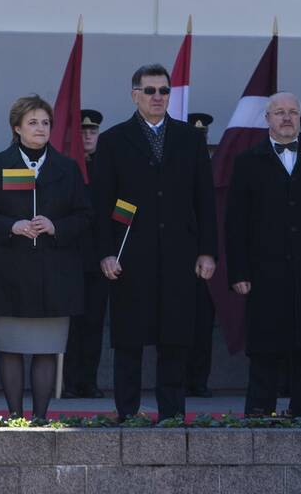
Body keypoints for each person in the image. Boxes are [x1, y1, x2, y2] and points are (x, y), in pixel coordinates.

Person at [94, 64, 217, 422]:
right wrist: (105, 252)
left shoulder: (190, 138)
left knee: (175, 340)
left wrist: (207, 250)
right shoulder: (114, 140)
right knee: (129, 341)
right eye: (150, 91)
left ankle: (172, 414)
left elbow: (204, 200)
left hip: (180, 255)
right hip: (130, 256)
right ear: (135, 95)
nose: (158, 97)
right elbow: (102, 202)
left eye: (164, 90)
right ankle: (128, 413)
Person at [226, 93, 301, 418]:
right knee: (265, 349)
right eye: (279, 112)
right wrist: (238, 272)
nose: (286, 118)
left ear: (300, 117)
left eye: (292, 112)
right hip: (264, 272)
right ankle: (258, 415)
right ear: (267, 118)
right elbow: (235, 222)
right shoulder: (247, 160)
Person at [0, 96, 92, 419]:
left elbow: (84, 216)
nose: (40, 128)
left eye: (45, 122)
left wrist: (56, 226)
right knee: (9, 349)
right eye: (33, 122)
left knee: (45, 351)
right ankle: (14, 417)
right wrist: (12, 225)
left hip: (54, 275)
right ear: (17, 127)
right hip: (8, 273)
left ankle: (39, 418)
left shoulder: (67, 168)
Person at [63, 109, 109, 399]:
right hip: (69, 258)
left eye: (93, 132)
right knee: (71, 326)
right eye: (83, 132)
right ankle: (67, 382)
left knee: (93, 324)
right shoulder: (67, 169)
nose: (88, 136)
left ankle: (88, 381)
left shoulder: (106, 166)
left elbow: (121, 206)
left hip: (100, 258)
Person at [187, 112, 216, 398]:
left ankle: (198, 380)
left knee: (203, 323)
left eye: (203, 135)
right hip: (177, 255)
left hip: (206, 258)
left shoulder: (215, 167)